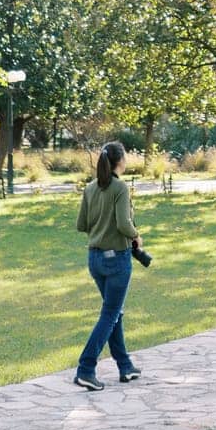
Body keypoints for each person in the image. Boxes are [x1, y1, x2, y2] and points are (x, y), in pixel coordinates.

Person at [74, 140, 143, 390]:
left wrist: (100, 224)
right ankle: (85, 368)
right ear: (120, 161)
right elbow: (124, 224)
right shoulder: (120, 189)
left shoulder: (91, 188)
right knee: (110, 314)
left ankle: (125, 366)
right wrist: (136, 235)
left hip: (95, 259)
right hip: (117, 260)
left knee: (115, 312)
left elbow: (81, 225)